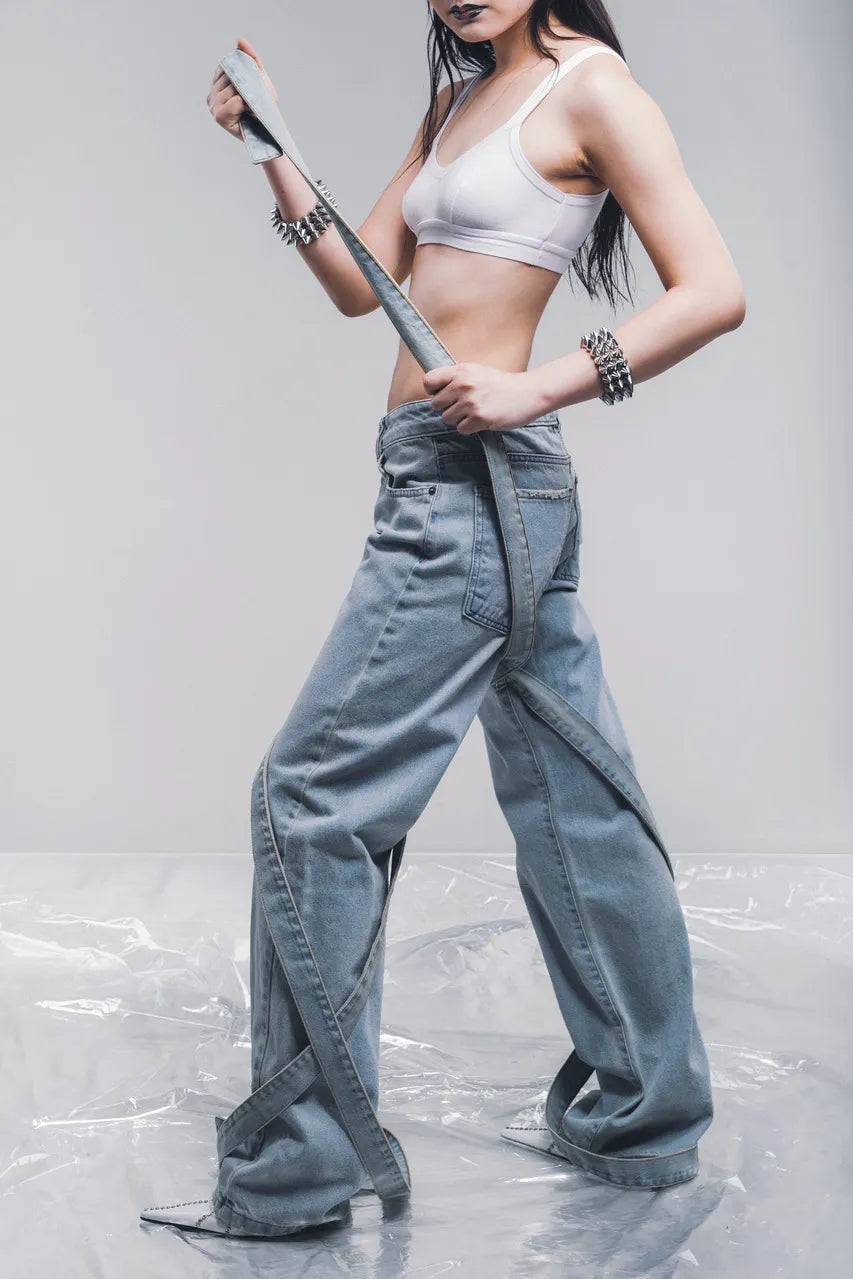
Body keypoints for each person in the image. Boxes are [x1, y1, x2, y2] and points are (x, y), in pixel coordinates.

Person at [142, 0, 744, 1239]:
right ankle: (644, 1118)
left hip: (474, 488)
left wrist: (539, 384)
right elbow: (355, 282)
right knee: (578, 804)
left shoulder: (590, 88)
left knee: (311, 801)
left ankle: (295, 1176)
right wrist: (267, 146)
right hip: (452, 477)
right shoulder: (458, 98)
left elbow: (715, 291)